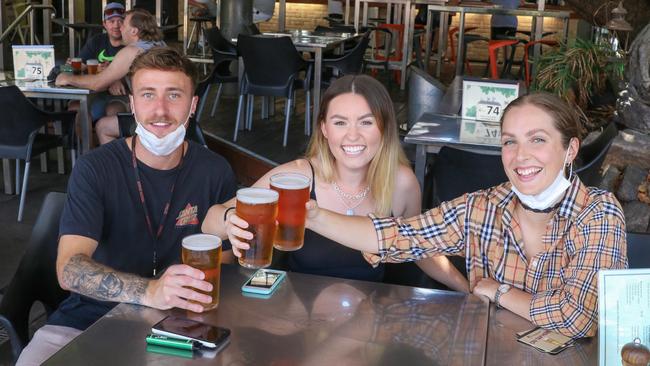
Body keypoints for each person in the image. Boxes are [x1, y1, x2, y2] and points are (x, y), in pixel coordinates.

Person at [229, 92, 628, 339]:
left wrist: (497, 292)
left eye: (537, 140)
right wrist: (313, 216)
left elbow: (579, 318)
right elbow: (401, 236)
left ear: (571, 149)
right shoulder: (483, 206)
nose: (521, 157)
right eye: (510, 142)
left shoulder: (599, 212)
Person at [16, 47, 238, 366]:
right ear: (132, 103)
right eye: (148, 95)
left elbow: (224, 268)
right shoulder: (95, 168)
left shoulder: (215, 171)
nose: (160, 110)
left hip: (178, 328)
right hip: (84, 322)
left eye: (173, 95)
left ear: (193, 105)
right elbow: (69, 269)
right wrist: (150, 291)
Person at [215, 75, 469, 291]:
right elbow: (210, 220)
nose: (353, 135)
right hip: (297, 318)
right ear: (324, 129)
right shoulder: (296, 178)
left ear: (384, 128)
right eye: (340, 123)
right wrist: (229, 220)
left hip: (369, 322)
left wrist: (468, 290)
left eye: (366, 122)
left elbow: (418, 247)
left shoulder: (401, 182)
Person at [56, 8, 165, 145]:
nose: (120, 28)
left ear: (134, 31)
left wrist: (68, 78)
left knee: (104, 126)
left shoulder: (132, 51)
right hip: (165, 111)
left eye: (123, 24)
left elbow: (97, 83)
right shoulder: (158, 45)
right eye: (112, 21)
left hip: (153, 117)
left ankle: (112, 165)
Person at [67, 2, 128, 129]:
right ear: (104, 24)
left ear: (126, 24)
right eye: (111, 21)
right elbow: (81, 65)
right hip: (94, 94)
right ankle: (86, 148)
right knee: (75, 108)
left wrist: (110, 76)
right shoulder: (97, 40)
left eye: (120, 21)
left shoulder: (131, 44)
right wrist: (74, 66)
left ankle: (111, 147)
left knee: (113, 111)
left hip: (121, 96)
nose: (116, 25)